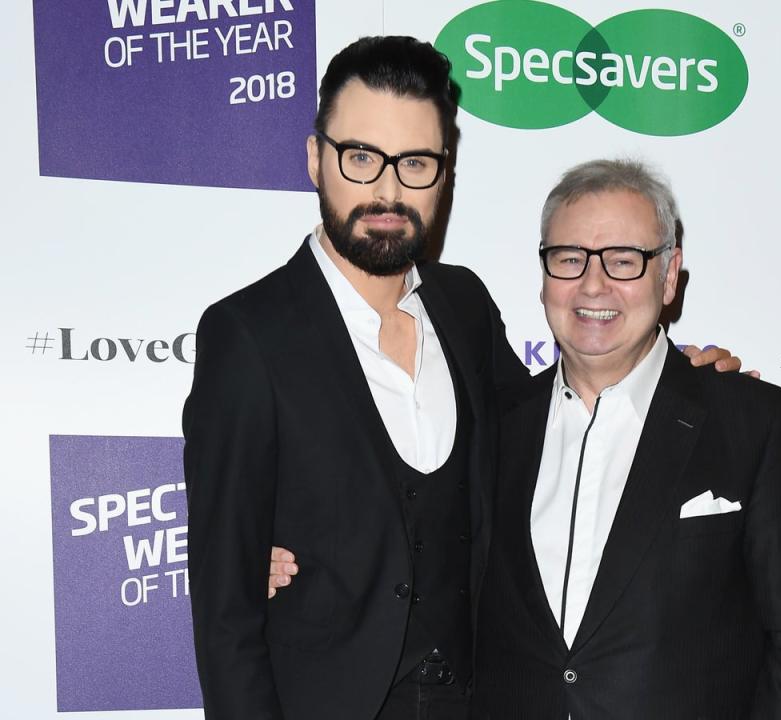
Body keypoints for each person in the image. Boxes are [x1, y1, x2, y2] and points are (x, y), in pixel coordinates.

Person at [185, 36, 738, 720]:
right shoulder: (248, 335)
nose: (387, 190)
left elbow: (552, 418)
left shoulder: (463, 306)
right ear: (314, 160)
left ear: (444, 174)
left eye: (415, 163)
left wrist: (668, 380)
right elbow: (224, 617)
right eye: (361, 157)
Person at [471, 159, 781, 719]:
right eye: (569, 259)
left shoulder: (753, 423)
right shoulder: (491, 425)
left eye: (624, 260)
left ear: (669, 277)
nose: (594, 285)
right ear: (543, 275)